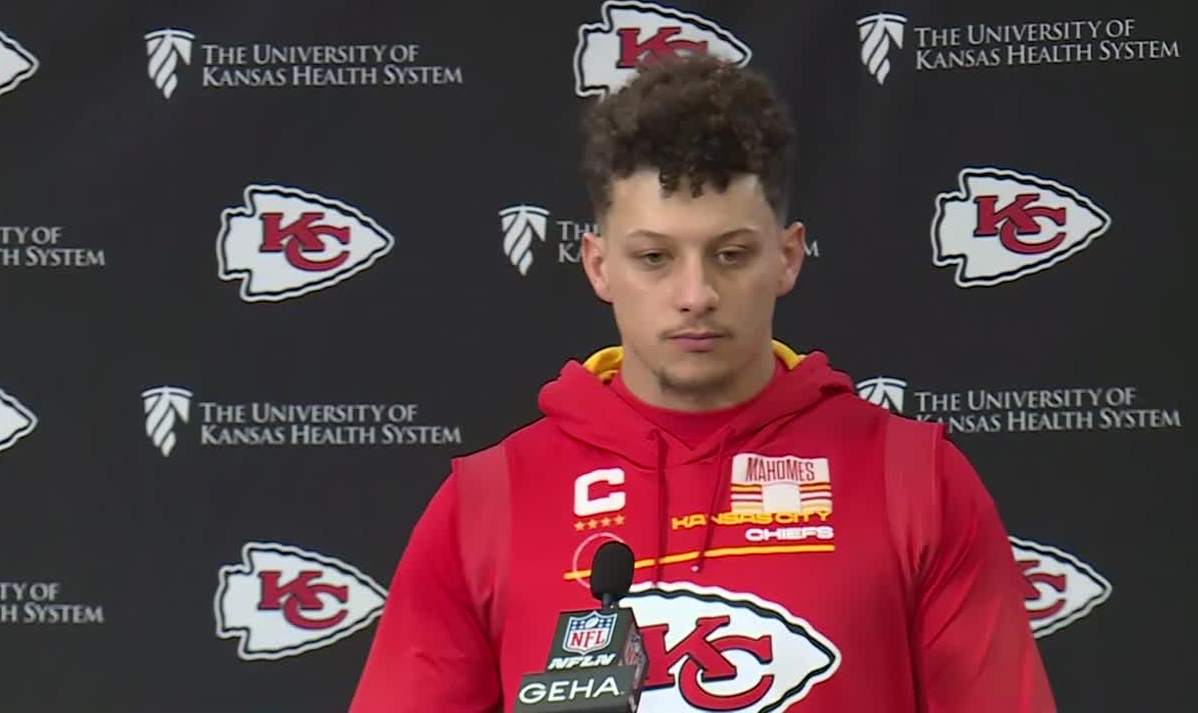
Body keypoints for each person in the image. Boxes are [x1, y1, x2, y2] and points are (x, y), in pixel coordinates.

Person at [348, 52, 1056, 713]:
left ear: (786, 258)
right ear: (598, 266)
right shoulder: (485, 504)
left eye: (731, 254)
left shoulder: (914, 480)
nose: (696, 294)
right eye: (654, 257)